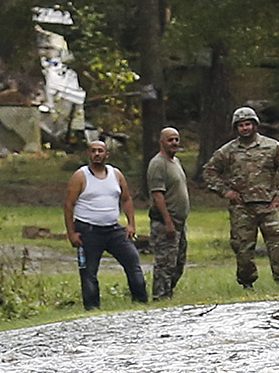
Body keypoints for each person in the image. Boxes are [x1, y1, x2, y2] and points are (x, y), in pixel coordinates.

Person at [202, 105, 279, 288]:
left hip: (269, 206)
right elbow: (209, 171)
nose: (245, 128)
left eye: (248, 124)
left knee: (278, 244)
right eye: (241, 125)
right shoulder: (227, 151)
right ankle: (247, 284)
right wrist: (225, 191)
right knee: (242, 248)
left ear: (255, 125)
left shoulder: (272, 147)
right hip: (241, 207)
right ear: (236, 128)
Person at [64, 135, 146, 309]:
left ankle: (141, 302)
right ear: (89, 154)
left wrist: (131, 224)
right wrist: (71, 233)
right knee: (89, 272)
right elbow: (69, 205)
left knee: (132, 261)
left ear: (107, 154)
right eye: (93, 151)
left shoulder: (116, 174)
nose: (97, 154)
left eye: (100, 151)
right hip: (88, 230)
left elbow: (126, 199)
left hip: (114, 230)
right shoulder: (81, 176)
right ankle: (92, 309)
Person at [144, 124, 192, 300]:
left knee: (178, 263)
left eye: (176, 139)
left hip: (180, 222)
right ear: (161, 142)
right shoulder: (158, 164)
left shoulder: (176, 162)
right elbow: (158, 195)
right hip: (165, 223)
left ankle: (168, 295)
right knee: (165, 264)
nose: (174, 143)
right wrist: (168, 222)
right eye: (170, 140)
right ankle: (160, 297)